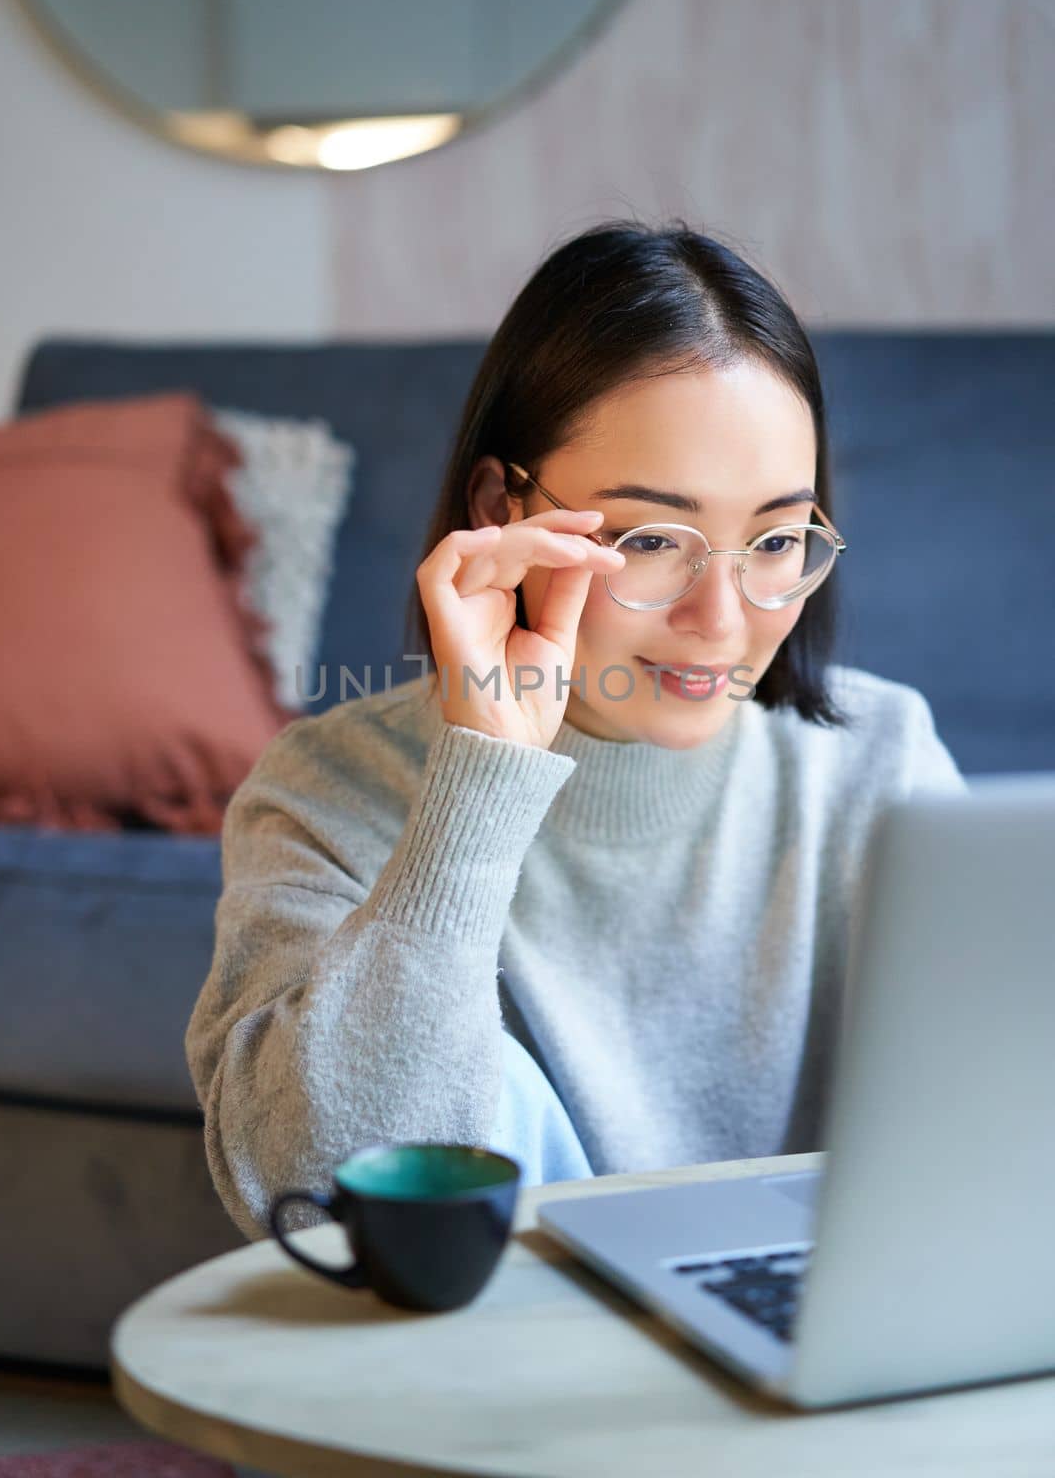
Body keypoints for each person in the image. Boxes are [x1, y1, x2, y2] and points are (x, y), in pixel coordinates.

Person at [185, 219, 966, 1242]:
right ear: (499, 508)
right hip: (508, 1371)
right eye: (650, 539)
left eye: (774, 538)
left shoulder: (878, 763)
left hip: (820, 1348)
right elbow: (326, 1204)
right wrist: (482, 782)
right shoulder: (328, 789)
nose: (722, 621)